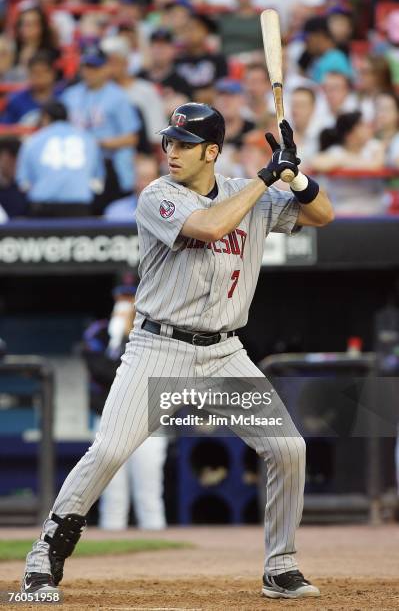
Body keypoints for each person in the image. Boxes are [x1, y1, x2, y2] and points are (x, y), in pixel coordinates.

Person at [21, 102, 334, 600]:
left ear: (211, 151)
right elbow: (211, 226)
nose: (172, 151)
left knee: (287, 447)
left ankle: (281, 565)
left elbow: (323, 215)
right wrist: (264, 179)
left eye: (185, 145)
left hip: (224, 355)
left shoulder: (242, 192)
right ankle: (44, 556)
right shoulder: (157, 195)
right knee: (108, 451)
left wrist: (294, 178)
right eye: (170, 141)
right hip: (157, 349)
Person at [83, 284, 167, 530]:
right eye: (122, 296)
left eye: (131, 296)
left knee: (149, 495)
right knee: (112, 497)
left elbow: (155, 371)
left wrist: (132, 332)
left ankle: (162, 563)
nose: (126, 302)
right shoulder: (99, 332)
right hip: (108, 418)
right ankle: (114, 567)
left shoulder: (159, 327)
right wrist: (116, 337)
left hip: (150, 419)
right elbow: (100, 371)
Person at [62, 45, 140, 212]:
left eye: (95, 67)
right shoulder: (70, 95)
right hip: (76, 164)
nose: (89, 72)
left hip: (108, 163)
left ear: (105, 69)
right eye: (86, 67)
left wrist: (97, 143)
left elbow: (132, 137)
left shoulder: (118, 96)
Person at [16, 100, 104, 217]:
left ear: (45, 117)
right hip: (78, 204)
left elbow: (23, 183)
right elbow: (98, 182)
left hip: (42, 205)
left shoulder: (32, 141)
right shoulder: (88, 139)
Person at [311, 111, 385, 216]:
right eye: (361, 125)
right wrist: (341, 160)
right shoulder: (337, 152)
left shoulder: (374, 147)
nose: (367, 128)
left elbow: (376, 165)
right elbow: (316, 163)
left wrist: (344, 161)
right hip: (343, 210)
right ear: (349, 135)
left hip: (374, 210)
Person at [101, 35, 166, 149]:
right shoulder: (95, 92)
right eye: (105, 62)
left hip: (140, 154)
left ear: (126, 62)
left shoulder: (146, 90)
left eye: (114, 61)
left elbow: (156, 135)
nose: (109, 67)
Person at [1, 50, 61, 125]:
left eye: (43, 72)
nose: (39, 77)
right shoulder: (16, 100)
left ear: (53, 73)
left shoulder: (64, 97)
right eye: (35, 73)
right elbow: (5, 129)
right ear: (28, 74)